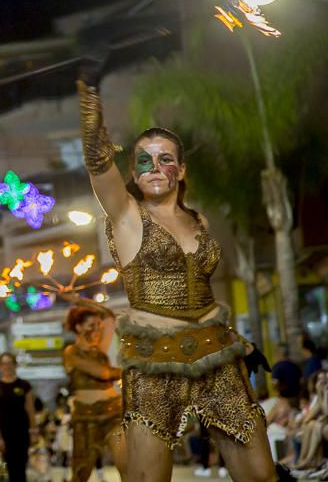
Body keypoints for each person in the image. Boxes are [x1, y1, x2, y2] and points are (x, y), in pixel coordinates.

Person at [76, 76, 276, 481]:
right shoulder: (128, 217)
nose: (154, 168)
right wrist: (91, 95)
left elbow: (202, 295)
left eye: (165, 159)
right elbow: (98, 162)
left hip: (217, 358)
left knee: (260, 475)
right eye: (144, 161)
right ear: (133, 171)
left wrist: (241, 344)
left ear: (181, 170)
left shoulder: (199, 220)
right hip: (154, 366)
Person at [62, 305, 125, 482]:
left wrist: (78, 300)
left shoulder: (99, 350)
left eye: (99, 325)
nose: (97, 329)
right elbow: (102, 373)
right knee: (81, 472)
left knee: (125, 465)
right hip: (86, 418)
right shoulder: (71, 352)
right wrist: (130, 371)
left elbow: (109, 316)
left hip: (113, 413)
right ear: (78, 327)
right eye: (91, 325)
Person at [0, 352, 37, 482]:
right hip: (5, 432)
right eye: (4, 364)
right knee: (11, 466)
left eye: (10, 363)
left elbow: (30, 408)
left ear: (15, 365)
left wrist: (33, 430)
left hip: (22, 430)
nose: (7, 367)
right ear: (0, 366)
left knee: (22, 465)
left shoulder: (24, 385)